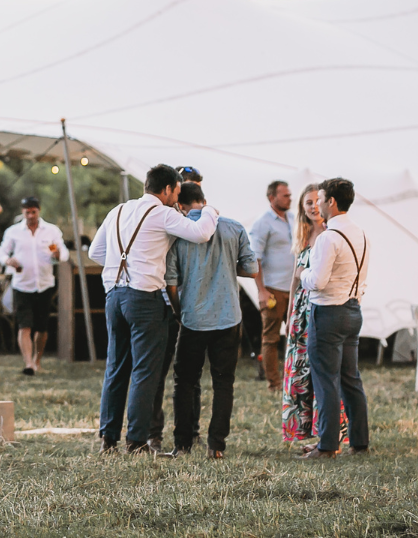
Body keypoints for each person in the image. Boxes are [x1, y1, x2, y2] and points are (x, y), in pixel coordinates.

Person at [90, 164, 219, 454]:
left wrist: (122, 264)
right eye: (177, 189)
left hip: (113, 295)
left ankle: (108, 438)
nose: (178, 195)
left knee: (115, 367)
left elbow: (94, 252)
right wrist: (211, 210)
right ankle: (136, 441)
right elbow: (201, 233)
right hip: (144, 299)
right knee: (145, 371)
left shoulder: (118, 211)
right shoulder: (163, 213)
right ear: (168, 189)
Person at [165, 183, 257, 458]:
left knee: (185, 381)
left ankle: (182, 445)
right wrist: (228, 265)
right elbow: (252, 269)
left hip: (193, 317)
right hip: (228, 315)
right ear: (204, 201)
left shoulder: (177, 232)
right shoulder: (233, 227)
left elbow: (171, 282)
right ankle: (216, 445)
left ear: (180, 205)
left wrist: (178, 311)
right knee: (223, 382)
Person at [299, 177, 371, 460]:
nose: (317, 204)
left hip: (328, 313)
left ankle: (327, 446)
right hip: (354, 310)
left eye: (320, 199)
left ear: (331, 202)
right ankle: (360, 442)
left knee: (326, 379)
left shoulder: (329, 237)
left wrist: (302, 272)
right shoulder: (361, 233)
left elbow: (316, 281)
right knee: (350, 378)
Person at [282, 184, 348, 446]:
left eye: (314, 201)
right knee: (300, 373)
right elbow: (294, 280)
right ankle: (304, 431)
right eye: (306, 203)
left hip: (322, 306)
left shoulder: (330, 234)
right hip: (300, 312)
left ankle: (330, 432)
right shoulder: (302, 235)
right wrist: (289, 315)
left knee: (323, 372)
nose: (311, 206)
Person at [0, 196, 69, 375]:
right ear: (22, 212)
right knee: (24, 325)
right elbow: (2, 251)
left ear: (39, 211)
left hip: (44, 284)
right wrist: (8, 260)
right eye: (27, 212)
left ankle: (37, 359)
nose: (30, 215)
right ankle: (28, 363)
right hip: (22, 284)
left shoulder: (51, 231)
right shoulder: (13, 232)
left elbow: (64, 253)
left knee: (42, 328)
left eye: (33, 211)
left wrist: (58, 255)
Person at [249, 181, 294, 392]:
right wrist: (262, 290)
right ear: (271, 198)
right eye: (285, 195)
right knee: (271, 338)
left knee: (296, 335)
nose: (289, 198)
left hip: (294, 288)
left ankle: (294, 381)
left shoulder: (293, 220)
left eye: (290, 195)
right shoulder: (263, 223)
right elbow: (254, 258)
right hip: (273, 289)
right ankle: (274, 384)